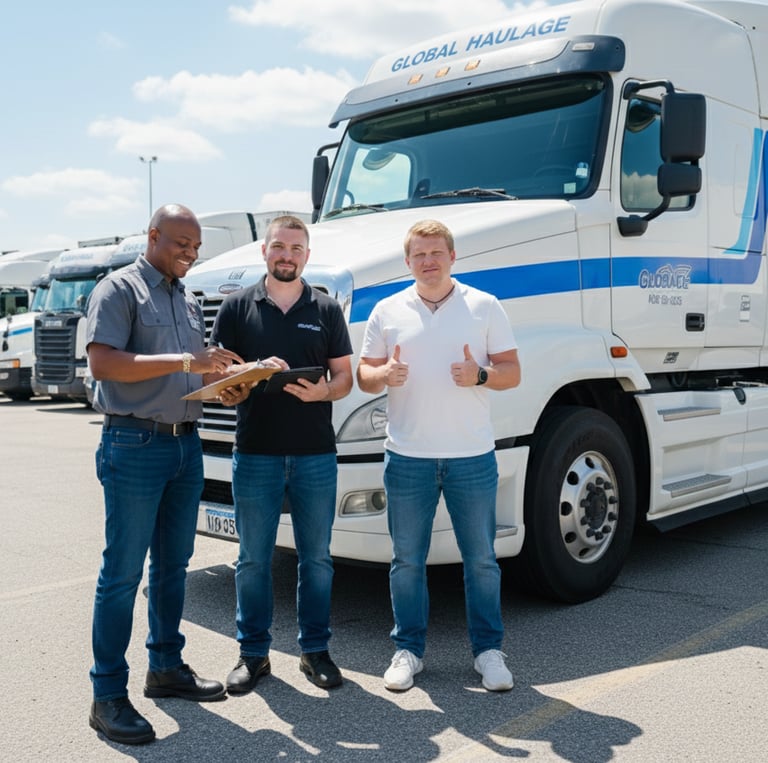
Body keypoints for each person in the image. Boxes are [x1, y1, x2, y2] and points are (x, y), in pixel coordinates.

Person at [86, 204, 248, 745]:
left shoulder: (185, 297)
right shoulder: (119, 290)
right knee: (122, 574)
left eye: (196, 247)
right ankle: (107, 695)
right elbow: (104, 363)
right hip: (133, 444)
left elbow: (187, 375)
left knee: (173, 567)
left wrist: (224, 386)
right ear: (153, 235)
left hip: (185, 445)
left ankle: (165, 668)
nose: (190, 254)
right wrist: (186, 361)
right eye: (182, 243)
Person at [357, 219, 521, 692]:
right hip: (407, 457)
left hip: (472, 455)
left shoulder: (484, 305)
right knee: (407, 560)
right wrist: (383, 374)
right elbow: (364, 374)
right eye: (419, 255)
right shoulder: (387, 310)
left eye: (436, 253)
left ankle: (488, 652)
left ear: (452, 256)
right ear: (407, 261)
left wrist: (480, 375)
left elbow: (512, 371)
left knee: (481, 560)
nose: (427, 261)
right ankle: (408, 651)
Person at [211, 214, 353, 692]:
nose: (286, 256)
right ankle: (253, 655)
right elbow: (216, 378)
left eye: (295, 248)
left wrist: (322, 393)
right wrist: (250, 371)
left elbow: (344, 378)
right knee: (253, 560)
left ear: (306, 255)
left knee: (317, 560)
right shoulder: (236, 307)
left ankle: (315, 652)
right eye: (278, 246)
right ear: (264, 251)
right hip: (256, 452)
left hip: (315, 454)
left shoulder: (326, 308)